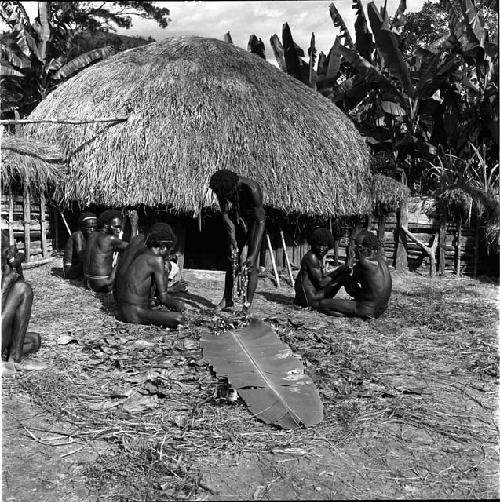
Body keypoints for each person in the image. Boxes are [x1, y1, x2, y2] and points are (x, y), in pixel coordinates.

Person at [295, 229, 392, 319]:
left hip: (367, 309)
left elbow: (351, 278)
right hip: (381, 309)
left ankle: (353, 313)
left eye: (358, 247)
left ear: (368, 248)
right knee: (345, 279)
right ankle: (357, 305)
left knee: (323, 304)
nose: (354, 250)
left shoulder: (363, 262)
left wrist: (342, 271)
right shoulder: (383, 259)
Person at [209, 169, 266, 314]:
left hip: (254, 224)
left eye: (226, 195)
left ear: (234, 187)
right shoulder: (222, 188)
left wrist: (253, 253)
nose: (224, 198)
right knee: (231, 260)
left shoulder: (252, 189)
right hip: (238, 222)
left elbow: (260, 221)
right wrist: (232, 237)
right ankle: (227, 299)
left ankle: (246, 306)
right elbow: (226, 214)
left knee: (251, 265)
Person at [115, 223, 185, 328]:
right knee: (179, 318)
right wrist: (178, 305)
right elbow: (163, 298)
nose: (169, 253)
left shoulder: (142, 255)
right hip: (135, 314)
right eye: (169, 249)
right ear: (163, 247)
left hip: (124, 310)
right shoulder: (156, 260)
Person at [2, 231, 45, 372]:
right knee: (23, 289)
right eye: (5, 250)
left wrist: (16, 264)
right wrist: (5, 286)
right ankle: (15, 358)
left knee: (35, 340)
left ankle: (10, 355)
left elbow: (17, 308)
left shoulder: (6, 265)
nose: (7, 253)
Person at [294, 228, 352, 309]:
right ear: (313, 244)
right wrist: (339, 271)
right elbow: (321, 282)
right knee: (343, 277)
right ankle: (359, 297)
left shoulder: (317, 256)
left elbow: (318, 277)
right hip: (311, 299)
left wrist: (338, 270)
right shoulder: (312, 257)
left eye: (324, 245)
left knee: (342, 274)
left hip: (308, 297)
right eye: (319, 245)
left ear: (329, 245)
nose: (321, 248)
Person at [84, 209, 128, 292]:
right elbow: (132, 247)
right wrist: (134, 226)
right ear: (106, 225)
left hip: (88, 282)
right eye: (116, 227)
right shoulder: (110, 239)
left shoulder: (92, 235)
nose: (119, 230)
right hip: (103, 285)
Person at [63, 212, 97, 279]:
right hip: (71, 271)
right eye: (89, 227)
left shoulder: (93, 236)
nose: (92, 230)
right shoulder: (77, 235)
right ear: (82, 227)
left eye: (94, 227)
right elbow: (82, 257)